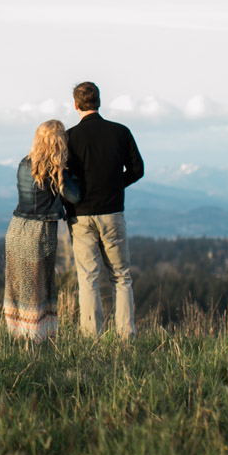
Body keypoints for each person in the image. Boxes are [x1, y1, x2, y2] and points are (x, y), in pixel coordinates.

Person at [64, 81, 144, 338]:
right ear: (98, 101)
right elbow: (137, 169)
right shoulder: (120, 132)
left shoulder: (69, 137)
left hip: (81, 215)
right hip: (112, 211)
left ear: (76, 105)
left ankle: (91, 336)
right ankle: (126, 335)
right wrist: (115, 185)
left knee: (88, 278)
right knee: (121, 277)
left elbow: (62, 178)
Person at [2, 119, 83, 341]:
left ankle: (16, 336)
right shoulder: (55, 169)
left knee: (17, 286)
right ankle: (38, 338)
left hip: (16, 228)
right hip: (40, 232)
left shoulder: (23, 163)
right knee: (40, 287)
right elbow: (75, 196)